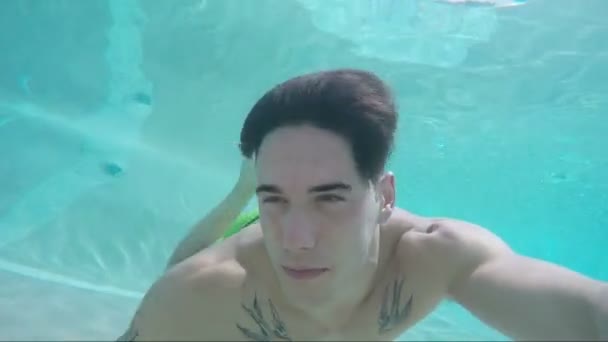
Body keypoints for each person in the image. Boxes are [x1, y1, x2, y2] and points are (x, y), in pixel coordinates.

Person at [118, 69, 608, 341]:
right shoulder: (201, 290)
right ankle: (247, 190)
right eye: (278, 199)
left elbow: (587, 315)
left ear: (385, 196)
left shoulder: (433, 256)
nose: (297, 239)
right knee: (178, 275)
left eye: (330, 198)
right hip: (231, 245)